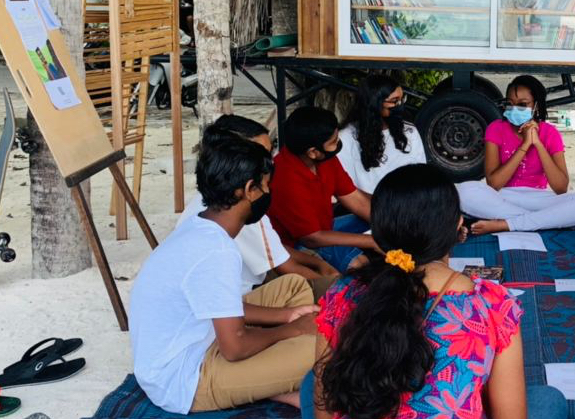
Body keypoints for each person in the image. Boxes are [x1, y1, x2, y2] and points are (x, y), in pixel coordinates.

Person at [305, 164, 567, 419]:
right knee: (549, 401)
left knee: (315, 378)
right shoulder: (489, 303)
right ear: (458, 230)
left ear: (378, 236)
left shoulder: (344, 295)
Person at [129, 133, 318, 414]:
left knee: (291, 287)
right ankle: (273, 385)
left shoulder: (201, 225)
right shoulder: (217, 250)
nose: (268, 194)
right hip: (185, 381)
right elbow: (235, 348)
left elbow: (219, 304)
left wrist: (286, 315)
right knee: (321, 348)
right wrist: (292, 329)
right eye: (265, 187)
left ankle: (272, 383)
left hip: (197, 340)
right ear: (248, 190)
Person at [177, 114, 340, 299]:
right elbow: (285, 266)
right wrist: (335, 286)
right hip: (241, 298)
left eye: (269, 153)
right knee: (323, 291)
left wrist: (319, 266)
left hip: (242, 290)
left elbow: (272, 248)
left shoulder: (213, 196)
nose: (270, 163)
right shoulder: (240, 207)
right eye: (261, 155)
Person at [457, 75, 575, 234]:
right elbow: (494, 183)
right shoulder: (496, 128)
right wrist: (524, 145)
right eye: (510, 104)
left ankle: (506, 224)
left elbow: (560, 188)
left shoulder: (550, 133)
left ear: (536, 106)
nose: (514, 109)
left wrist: (537, 143)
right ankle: (543, 221)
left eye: (522, 104)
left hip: (541, 199)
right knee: (463, 192)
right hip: (504, 197)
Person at [268, 106, 378, 274]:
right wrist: (371, 241)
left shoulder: (325, 159)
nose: (337, 145)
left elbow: (354, 198)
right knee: (360, 264)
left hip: (326, 227)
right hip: (299, 243)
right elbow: (312, 238)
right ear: (313, 152)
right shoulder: (286, 179)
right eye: (333, 142)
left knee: (386, 220)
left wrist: (389, 226)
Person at [336, 74, 427, 194]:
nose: (400, 105)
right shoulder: (346, 139)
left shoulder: (409, 131)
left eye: (402, 99)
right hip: (364, 207)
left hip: (405, 205)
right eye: (394, 101)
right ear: (375, 103)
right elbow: (343, 186)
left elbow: (421, 175)